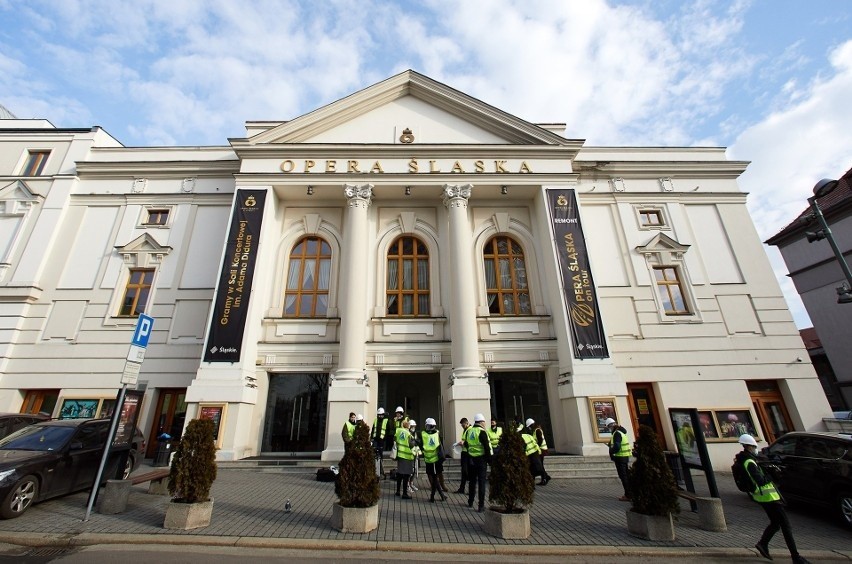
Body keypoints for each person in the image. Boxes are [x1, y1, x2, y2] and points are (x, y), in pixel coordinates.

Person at [735, 434, 810, 564]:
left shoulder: (747, 460)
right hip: (768, 497)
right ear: (748, 447)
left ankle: (763, 544)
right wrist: (772, 475)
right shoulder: (749, 462)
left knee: (775, 523)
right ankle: (795, 557)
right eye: (754, 446)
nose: (755, 449)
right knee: (786, 526)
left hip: (764, 497)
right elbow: (760, 480)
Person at [464, 413, 492, 512]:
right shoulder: (482, 432)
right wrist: (490, 461)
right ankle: (481, 505)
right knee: (481, 482)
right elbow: (487, 448)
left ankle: (470, 501)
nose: (485, 424)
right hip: (481, 460)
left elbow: (466, 444)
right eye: (484, 422)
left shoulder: (469, 431)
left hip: (471, 459)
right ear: (481, 422)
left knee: (472, 481)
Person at [420, 417, 447, 502]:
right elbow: (440, 445)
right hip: (436, 459)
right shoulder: (437, 433)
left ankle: (435, 496)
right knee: (435, 478)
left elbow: (421, 445)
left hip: (428, 459)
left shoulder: (423, 434)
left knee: (434, 479)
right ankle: (439, 496)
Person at [605, 417, 631, 501]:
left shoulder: (617, 433)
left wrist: (612, 451)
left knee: (623, 476)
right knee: (626, 475)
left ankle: (628, 495)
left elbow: (617, 446)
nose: (609, 429)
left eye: (609, 427)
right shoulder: (621, 432)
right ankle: (630, 493)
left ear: (611, 426)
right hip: (624, 457)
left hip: (620, 457)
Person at [525, 418, 551, 485]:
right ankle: (545, 477)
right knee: (540, 464)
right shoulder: (536, 430)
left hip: (541, 450)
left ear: (532, 424)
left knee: (540, 464)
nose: (529, 428)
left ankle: (544, 478)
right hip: (541, 449)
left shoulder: (537, 430)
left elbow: (540, 440)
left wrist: (537, 447)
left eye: (530, 426)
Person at [394, 419, 415, 499]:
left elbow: (395, 439)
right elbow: (411, 444)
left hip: (400, 454)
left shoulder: (398, 431)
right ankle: (405, 493)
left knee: (399, 473)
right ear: (408, 426)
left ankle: (398, 491)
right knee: (406, 475)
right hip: (407, 456)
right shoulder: (409, 434)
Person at [371, 407, 391, 478]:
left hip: (382, 440)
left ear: (383, 415)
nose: (380, 416)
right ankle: (375, 470)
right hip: (375, 440)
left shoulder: (386, 421)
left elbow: (388, 430)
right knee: (374, 454)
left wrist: (385, 438)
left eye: (381, 415)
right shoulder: (375, 420)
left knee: (380, 454)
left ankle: (380, 470)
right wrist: (371, 438)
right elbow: (373, 429)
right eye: (379, 415)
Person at [454, 417, 471, 494]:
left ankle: (471, 488)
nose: (462, 426)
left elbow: (471, 442)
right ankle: (462, 488)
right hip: (464, 452)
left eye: (463, 425)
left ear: (467, 423)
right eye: (461, 425)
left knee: (466, 471)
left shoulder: (470, 430)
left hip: (468, 453)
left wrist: (463, 443)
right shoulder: (466, 430)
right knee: (463, 472)